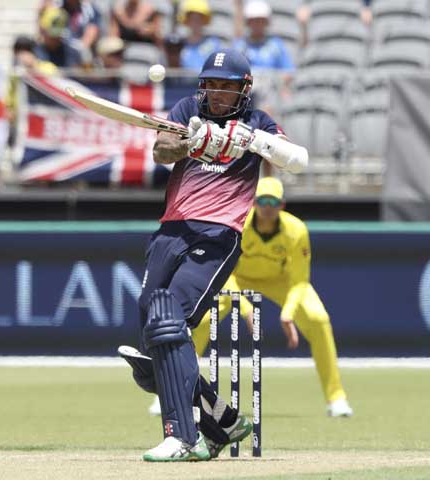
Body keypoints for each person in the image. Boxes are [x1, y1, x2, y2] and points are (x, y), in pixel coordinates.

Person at [124, 48, 308, 462]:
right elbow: (162, 149)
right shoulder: (188, 108)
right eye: (211, 84)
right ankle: (223, 422)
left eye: (227, 86)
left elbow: (298, 160)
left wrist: (251, 140)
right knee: (155, 326)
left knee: (170, 318)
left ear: (244, 89)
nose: (217, 93)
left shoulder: (257, 120)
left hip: (219, 233)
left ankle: (183, 437)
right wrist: (192, 140)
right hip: (171, 230)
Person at [191, 177, 354, 418]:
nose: (267, 207)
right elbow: (223, 272)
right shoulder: (237, 223)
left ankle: (336, 398)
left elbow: (299, 281)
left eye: (273, 202)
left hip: (281, 281)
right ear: (253, 203)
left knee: (319, 320)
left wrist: (288, 314)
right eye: (262, 201)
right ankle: (175, 394)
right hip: (237, 280)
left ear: (282, 205)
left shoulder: (295, 230)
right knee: (202, 320)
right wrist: (246, 309)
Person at [232, 0, 294, 73]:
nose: (257, 24)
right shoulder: (239, 46)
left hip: (272, 83)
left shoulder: (276, 45)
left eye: (261, 20)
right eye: (254, 20)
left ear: (267, 22)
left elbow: (288, 71)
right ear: (248, 22)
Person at [177, 0, 222, 71]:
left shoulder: (213, 44)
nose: (195, 22)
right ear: (187, 20)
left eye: (199, 18)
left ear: (204, 20)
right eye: (192, 18)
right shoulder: (179, 45)